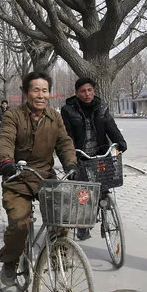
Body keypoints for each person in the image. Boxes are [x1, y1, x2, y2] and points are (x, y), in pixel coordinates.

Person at [0, 71, 78, 285]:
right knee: (20, 224)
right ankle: (11, 259)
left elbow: (64, 142)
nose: (40, 95)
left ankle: (56, 254)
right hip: (17, 179)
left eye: (45, 90)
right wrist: (6, 161)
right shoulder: (13, 116)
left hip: (45, 178)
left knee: (60, 217)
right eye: (35, 90)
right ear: (25, 93)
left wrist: (71, 162)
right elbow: (5, 139)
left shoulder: (54, 116)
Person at [61, 77, 127, 240]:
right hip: (80, 155)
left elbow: (111, 126)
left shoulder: (101, 107)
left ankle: (103, 214)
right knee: (84, 194)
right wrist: (70, 154)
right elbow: (66, 134)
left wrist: (120, 142)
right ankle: (83, 224)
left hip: (100, 154)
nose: (87, 94)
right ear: (76, 93)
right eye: (83, 91)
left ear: (94, 91)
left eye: (90, 90)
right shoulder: (68, 110)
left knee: (103, 187)